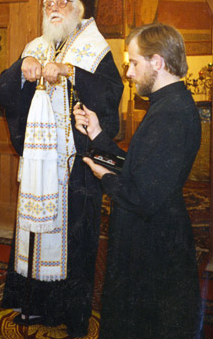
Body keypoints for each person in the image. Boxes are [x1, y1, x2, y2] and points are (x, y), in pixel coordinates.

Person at [0, 0, 123, 337]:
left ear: (76, 8)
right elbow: (2, 94)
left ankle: (72, 314)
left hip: (74, 167)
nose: (53, 9)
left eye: (61, 3)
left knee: (75, 242)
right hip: (39, 165)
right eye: (47, 4)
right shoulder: (34, 47)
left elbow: (112, 94)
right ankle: (34, 307)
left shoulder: (94, 48)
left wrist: (70, 72)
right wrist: (23, 69)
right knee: (35, 235)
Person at [74, 22, 203, 339]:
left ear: (157, 62)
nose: (129, 73)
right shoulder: (167, 105)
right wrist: (99, 136)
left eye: (133, 63)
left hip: (152, 245)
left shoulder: (172, 115)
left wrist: (103, 177)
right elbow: (138, 168)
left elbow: (141, 195)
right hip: (150, 236)